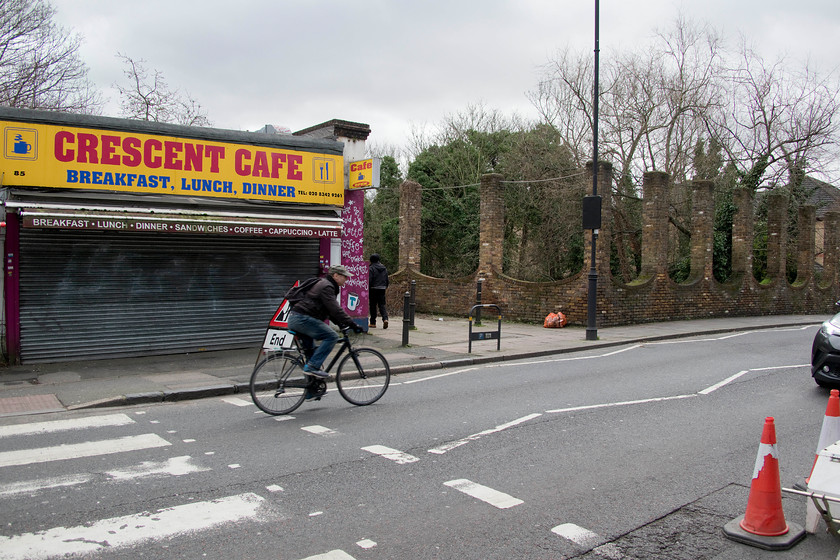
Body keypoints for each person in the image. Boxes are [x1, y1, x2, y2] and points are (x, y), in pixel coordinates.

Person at [287, 264, 363, 379]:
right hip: (302, 319)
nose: (346, 279)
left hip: (297, 318)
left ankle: (311, 390)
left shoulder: (325, 284)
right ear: (336, 275)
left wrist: (341, 324)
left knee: (311, 355)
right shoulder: (327, 286)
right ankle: (312, 367)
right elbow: (335, 309)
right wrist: (352, 323)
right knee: (332, 336)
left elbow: (329, 311)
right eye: (344, 276)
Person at [368, 254, 389, 329]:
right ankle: (385, 319)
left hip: (373, 288)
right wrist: (385, 286)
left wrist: (368, 287)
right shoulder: (384, 268)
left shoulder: (371, 268)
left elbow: (369, 279)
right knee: (382, 305)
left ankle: (373, 322)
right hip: (382, 288)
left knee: (373, 305)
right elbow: (386, 279)